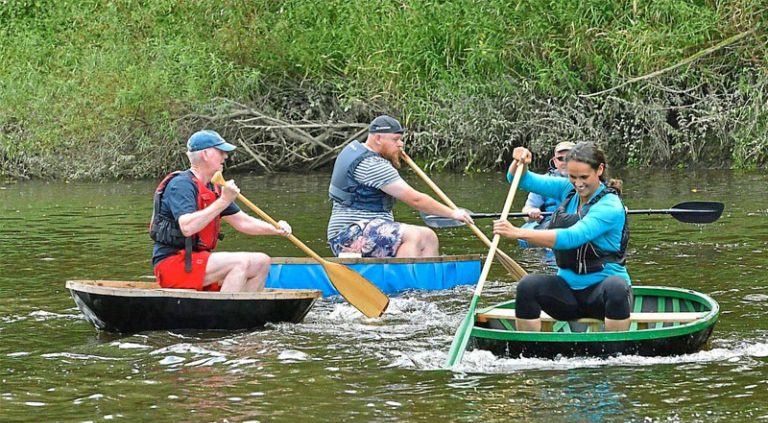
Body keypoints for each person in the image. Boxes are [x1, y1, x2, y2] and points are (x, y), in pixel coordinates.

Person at [493, 142, 632, 331]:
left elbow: (571, 237)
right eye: (572, 177)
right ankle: (529, 351)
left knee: (617, 287)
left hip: (602, 297)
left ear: (599, 169)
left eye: (584, 177)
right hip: (568, 296)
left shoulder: (610, 206)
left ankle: (615, 352)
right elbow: (519, 179)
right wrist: (521, 163)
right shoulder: (568, 189)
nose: (578, 183)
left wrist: (518, 232)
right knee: (527, 286)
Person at [150, 130, 292, 293]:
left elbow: (243, 222)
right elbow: (187, 227)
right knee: (238, 263)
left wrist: (275, 228)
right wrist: (224, 201)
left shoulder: (214, 188)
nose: (225, 156)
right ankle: (225, 315)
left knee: (262, 262)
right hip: (174, 263)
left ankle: (246, 314)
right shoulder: (181, 185)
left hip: (200, 261)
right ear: (206, 154)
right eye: (221, 151)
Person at [327, 115, 473, 258]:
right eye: (395, 140)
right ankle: (404, 282)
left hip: (368, 229)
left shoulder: (357, 149)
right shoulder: (371, 165)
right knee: (412, 236)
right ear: (378, 139)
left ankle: (427, 282)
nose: (401, 144)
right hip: (348, 235)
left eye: (401, 139)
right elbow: (416, 200)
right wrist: (454, 214)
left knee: (429, 237)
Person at [518, 140, 575, 249]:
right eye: (560, 159)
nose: (565, 162)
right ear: (555, 161)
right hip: (549, 226)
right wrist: (531, 212)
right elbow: (527, 209)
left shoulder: (588, 181)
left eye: (569, 157)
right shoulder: (545, 182)